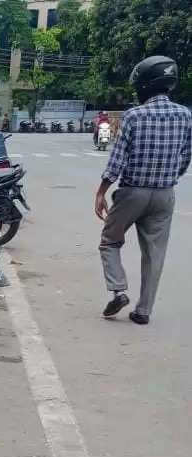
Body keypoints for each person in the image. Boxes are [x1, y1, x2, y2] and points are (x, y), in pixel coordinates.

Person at [96, 56, 191, 325]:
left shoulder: (134, 116)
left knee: (110, 241)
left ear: (146, 85)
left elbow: (117, 160)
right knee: (154, 253)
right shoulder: (185, 115)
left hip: (132, 193)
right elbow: (185, 157)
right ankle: (143, 311)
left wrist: (102, 191)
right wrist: (168, 178)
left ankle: (118, 289)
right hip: (164, 195)